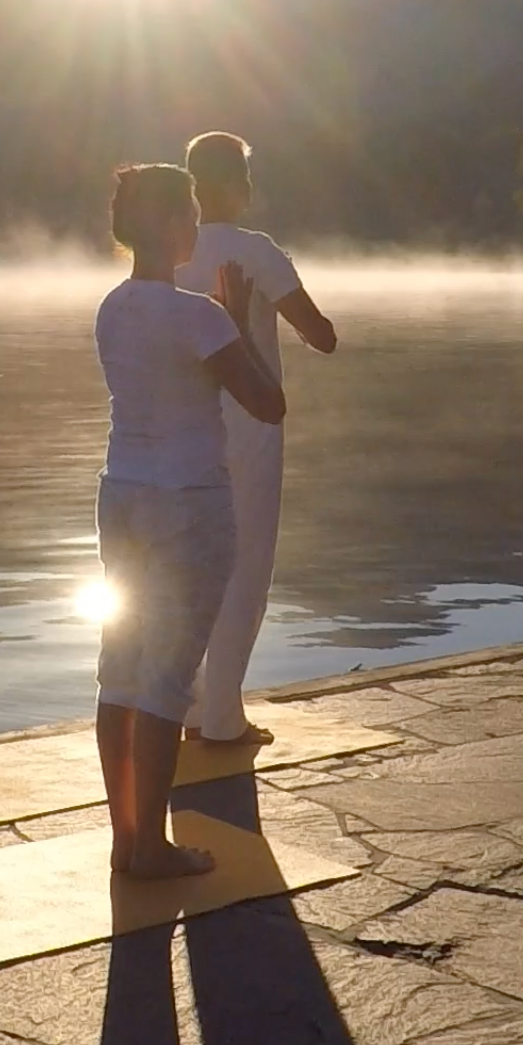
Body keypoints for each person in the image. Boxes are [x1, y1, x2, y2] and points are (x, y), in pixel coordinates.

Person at [93, 163, 285, 879]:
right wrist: (236, 322)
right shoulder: (197, 316)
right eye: (192, 217)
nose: (197, 228)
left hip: (121, 493)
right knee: (169, 680)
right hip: (189, 503)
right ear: (175, 227)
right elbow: (268, 403)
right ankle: (149, 849)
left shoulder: (112, 307)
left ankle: (126, 839)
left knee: (119, 674)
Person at [175, 132, 337, 745]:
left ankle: (186, 705)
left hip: (184, 427)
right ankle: (222, 716)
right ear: (241, 188)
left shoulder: (174, 251)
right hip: (249, 423)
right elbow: (320, 336)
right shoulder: (255, 251)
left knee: (189, 566)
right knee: (246, 567)